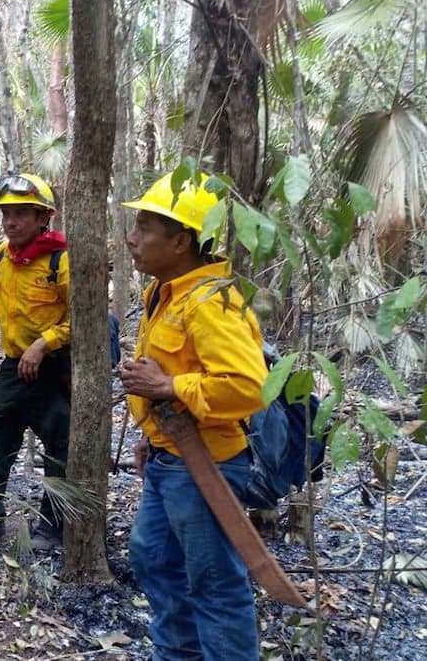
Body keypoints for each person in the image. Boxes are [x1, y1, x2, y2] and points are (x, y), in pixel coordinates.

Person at [119, 171, 267, 660]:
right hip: (169, 456)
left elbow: (247, 387)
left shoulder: (211, 303)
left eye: (144, 227)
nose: (132, 238)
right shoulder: (165, 292)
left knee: (214, 583)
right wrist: (152, 430)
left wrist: (168, 386)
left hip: (205, 466)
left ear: (180, 241)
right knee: (155, 559)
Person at [0, 172, 70, 550]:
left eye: (22, 213)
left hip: (54, 369)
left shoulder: (62, 260)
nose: (11, 221)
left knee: (61, 443)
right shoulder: (1, 257)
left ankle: (54, 527)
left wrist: (44, 343)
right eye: (6, 213)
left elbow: (86, 316)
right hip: (13, 368)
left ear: (43, 219)